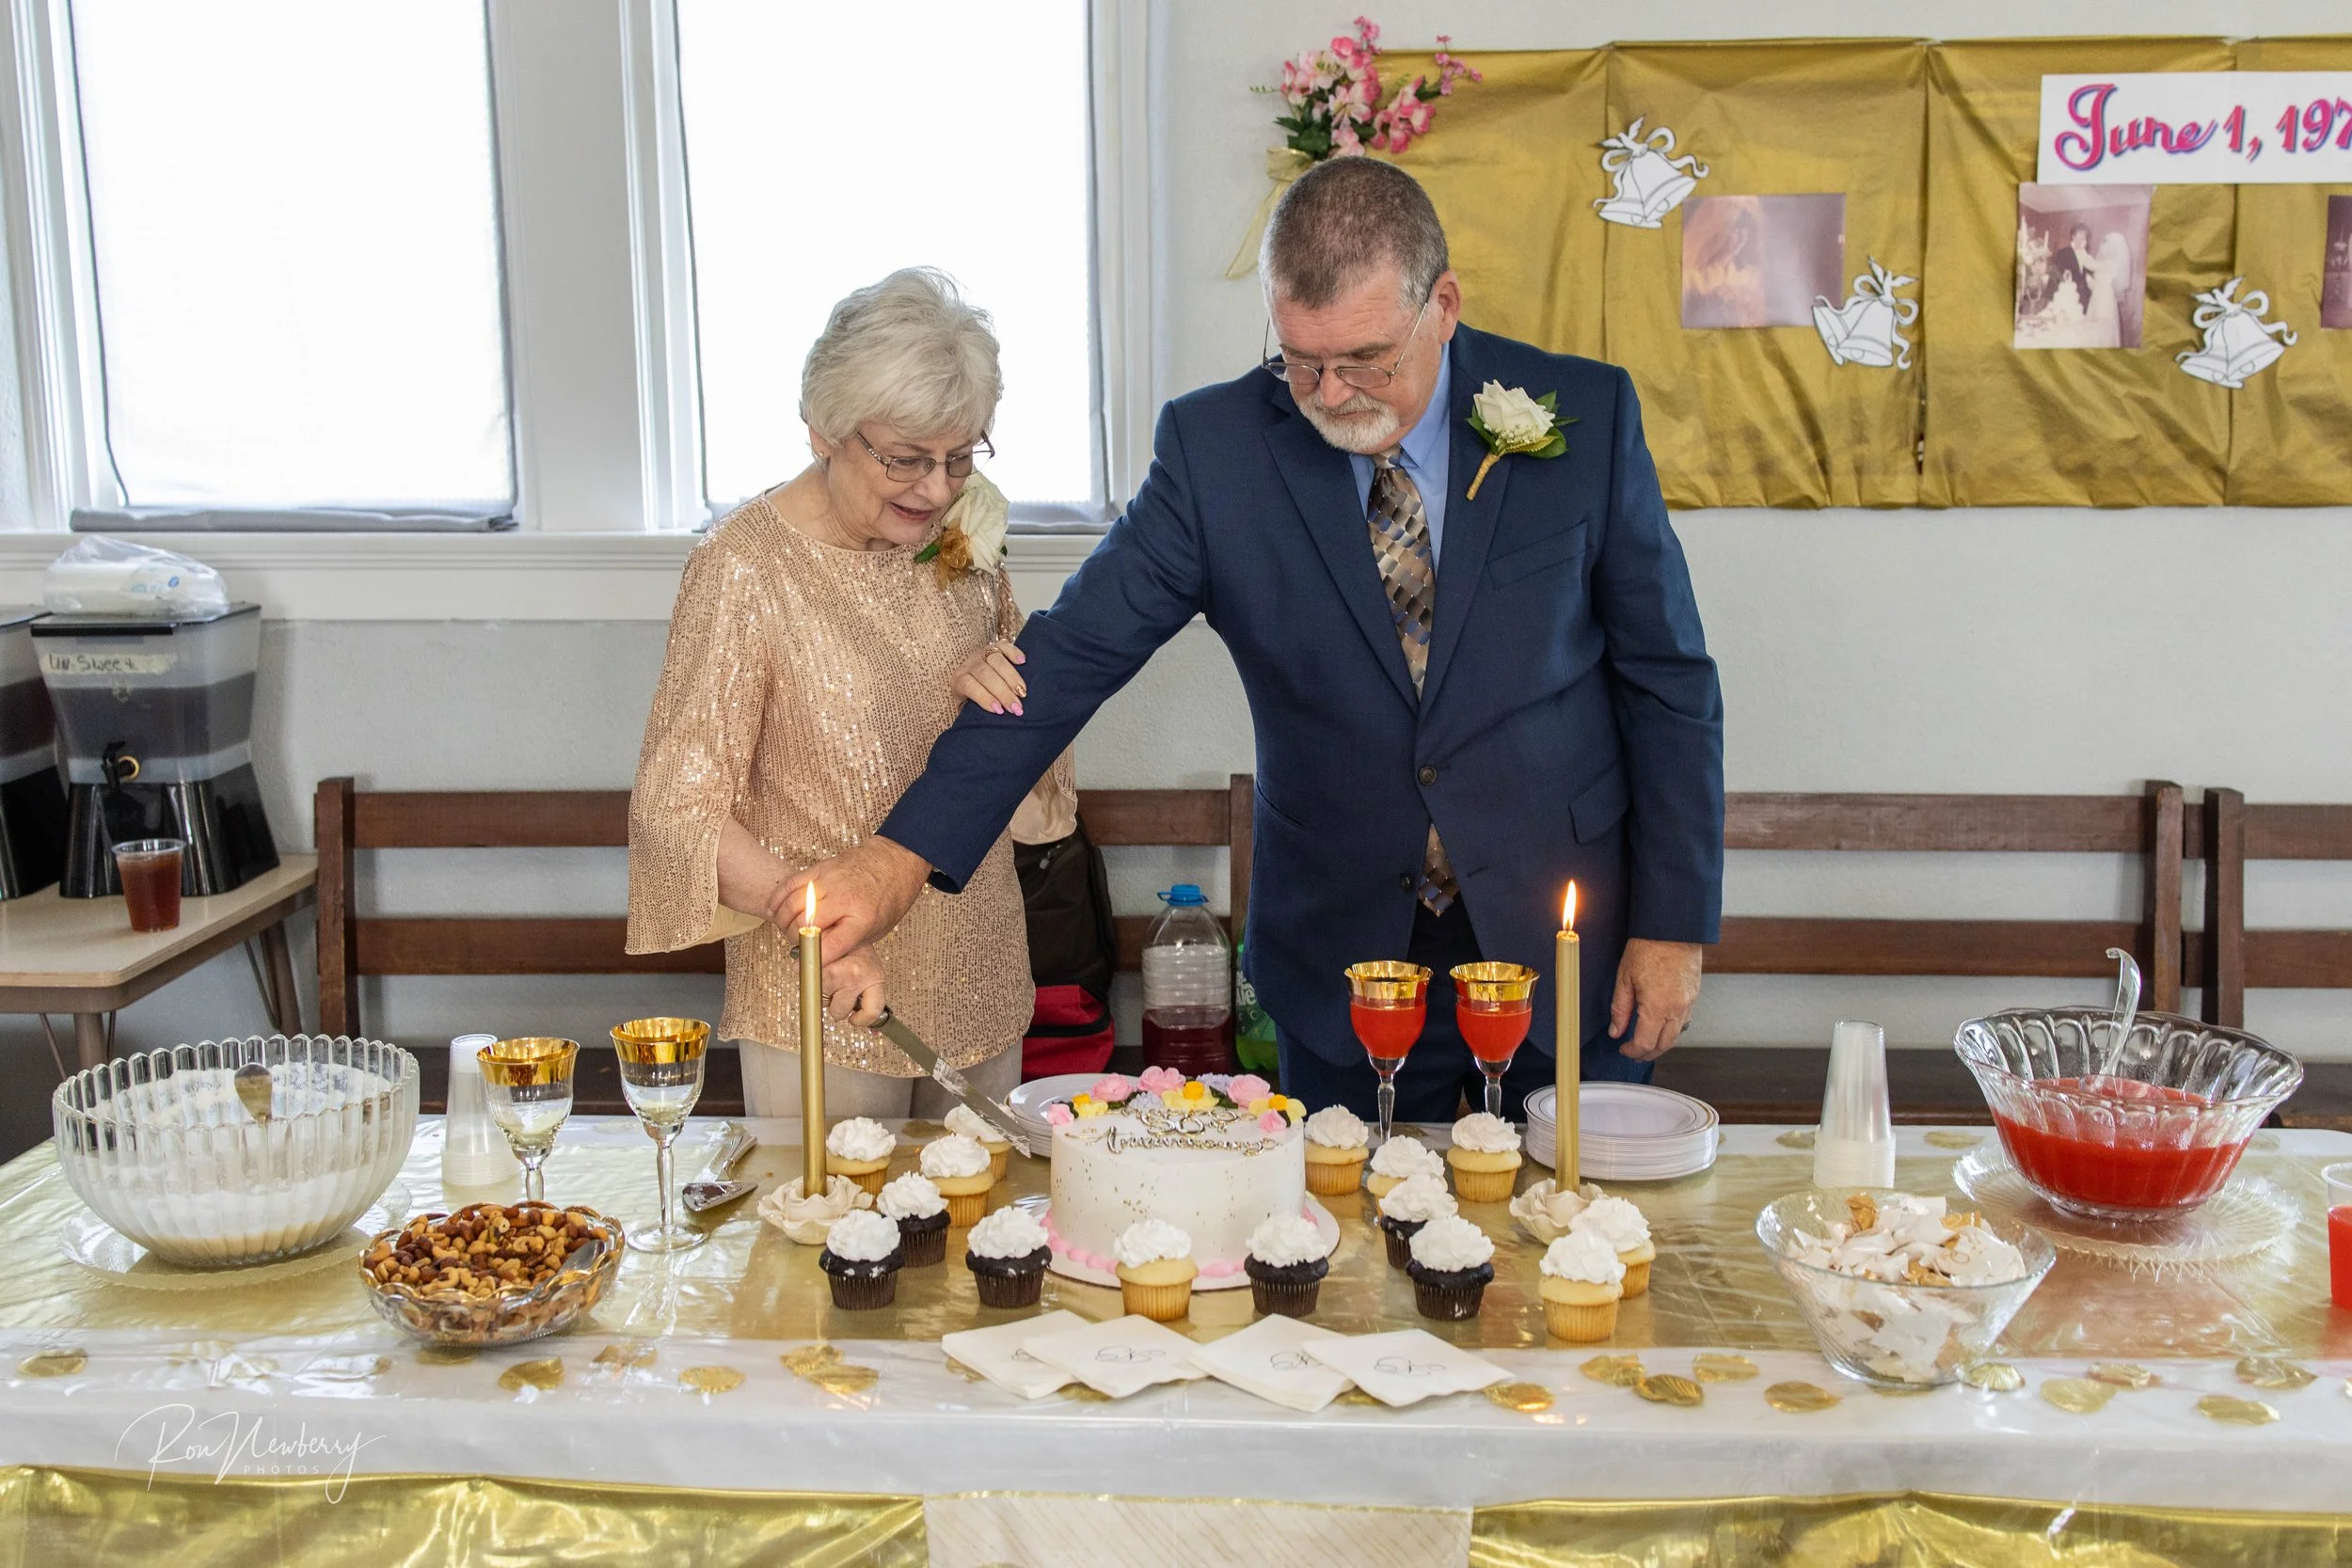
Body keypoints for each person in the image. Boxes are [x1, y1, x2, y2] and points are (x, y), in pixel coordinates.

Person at [784, 159, 1724, 1124]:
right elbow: (1066, 663)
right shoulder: (1217, 451)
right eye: (1301, 360)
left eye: (1366, 360)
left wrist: (1673, 924)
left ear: (1442, 306)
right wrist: (896, 858)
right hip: (1341, 955)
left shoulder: (1589, 414)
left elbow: (1669, 684)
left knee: (1573, 1216)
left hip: (1561, 952)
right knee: (1344, 1220)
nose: (1331, 392)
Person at [626, 267, 1071, 1118]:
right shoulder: (743, 569)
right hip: (823, 997)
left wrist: (1005, 695)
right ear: (823, 429)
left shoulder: (962, 547)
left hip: (979, 976)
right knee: (827, 1209)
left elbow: (1028, 783)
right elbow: (677, 808)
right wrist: (817, 928)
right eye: (905, 458)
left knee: (995, 1205)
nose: (937, 490)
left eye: (959, 457)